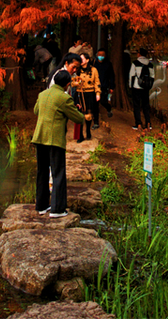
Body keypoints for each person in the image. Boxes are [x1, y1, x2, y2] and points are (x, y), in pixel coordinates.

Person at [31, 70, 85, 218]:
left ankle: (41, 206)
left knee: (42, 172)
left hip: (39, 137)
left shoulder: (42, 94)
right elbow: (78, 119)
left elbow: (36, 110)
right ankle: (57, 209)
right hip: (54, 140)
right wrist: (80, 112)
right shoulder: (64, 98)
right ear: (67, 84)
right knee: (58, 172)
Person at [71, 52, 101, 139]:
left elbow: (97, 82)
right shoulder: (76, 70)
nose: (81, 61)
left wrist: (97, 93)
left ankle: (88, 131)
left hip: (90, 93)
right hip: (79, 93)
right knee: (79, 114)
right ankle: (80, 135)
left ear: (87, 60)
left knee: (88, 114)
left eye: (82, 59)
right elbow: (72, 82)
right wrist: (76, 83)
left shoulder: (94, 70)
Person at [128, 47, 154, 130]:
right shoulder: (150, 65)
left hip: (136, 87)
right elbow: (152, 76)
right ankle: (148, 123)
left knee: (136, 105)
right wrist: (149, 86)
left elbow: (131, 75)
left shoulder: (135, 63)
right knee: (146, 105)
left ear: (139, 54)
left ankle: (138, 123)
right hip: (146, 88)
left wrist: (130, 86)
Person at [95, 48, 116, 118]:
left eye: (102, 55)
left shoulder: (108, 64)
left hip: (104, 85)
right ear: (97, 54)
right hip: (94, 85)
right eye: (99, 54)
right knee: (95, 102)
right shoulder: (94, 63)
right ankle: (96, 118)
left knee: (103, 101)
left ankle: (108, 108)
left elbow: (111, 76)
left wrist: (112, 87)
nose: (101, 56)